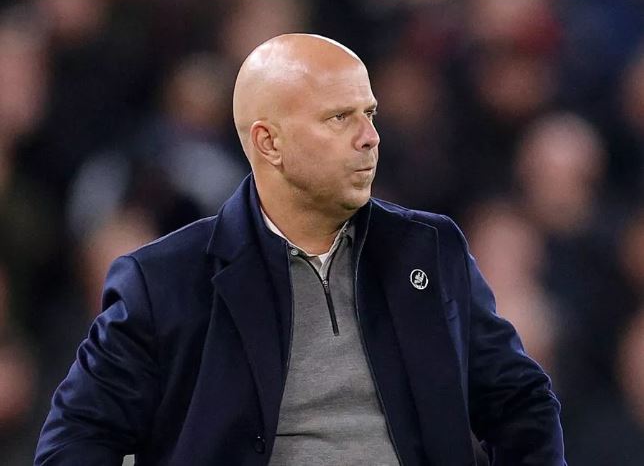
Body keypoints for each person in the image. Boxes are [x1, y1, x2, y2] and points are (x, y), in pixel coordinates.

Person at [35, 34, 566, 465]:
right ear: (269, 142)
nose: (370, 137)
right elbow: (77, 437)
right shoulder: (165, 281)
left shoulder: (428, 251)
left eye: (370, 113)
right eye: (339, 118)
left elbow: (520, 401)